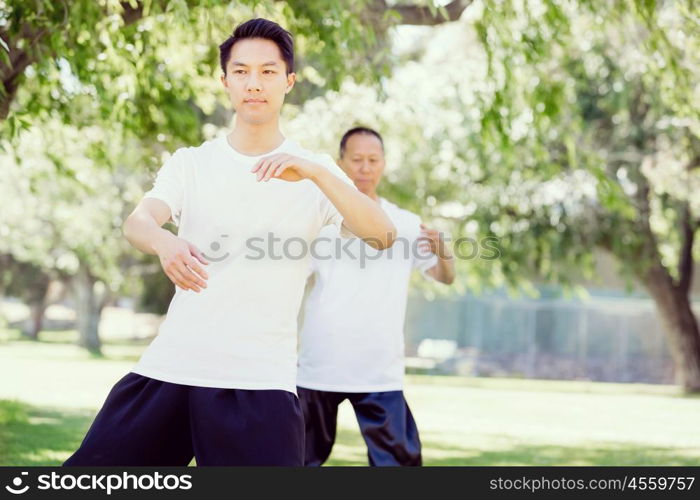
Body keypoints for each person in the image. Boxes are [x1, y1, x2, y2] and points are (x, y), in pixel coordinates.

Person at [64, 19, 395, 467]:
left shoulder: (315, 171)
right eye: (240, 72)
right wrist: (165, 242)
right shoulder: (192, 164)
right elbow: (139, 222)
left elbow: (382, 234)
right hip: (172, 369)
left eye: (267, 72)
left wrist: (317, 172)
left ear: (288, 81)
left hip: (259, 381)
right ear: (224, 81)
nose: (253, 84)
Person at [297, 127, 455, 466]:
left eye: (373, 160)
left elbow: (445, 277)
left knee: (399, 464)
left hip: (379, 367)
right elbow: (288, 282)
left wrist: (445, 253)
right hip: (320, 361)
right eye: (356, 160)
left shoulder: (407, 224)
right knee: (296, 461)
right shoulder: (318, 221)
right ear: (340, 163)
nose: (365, 168)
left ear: (383, 164)